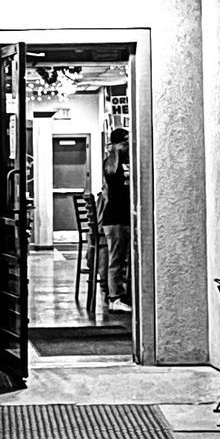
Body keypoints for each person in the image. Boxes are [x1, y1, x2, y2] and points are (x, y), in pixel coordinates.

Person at [99, 126, 131, 310]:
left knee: (122, 258)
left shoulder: (126, 160)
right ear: (118, 144)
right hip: (115, 217)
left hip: (124, 216)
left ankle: (121, 294)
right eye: (125, 142)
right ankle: (115, 297)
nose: (129, 145)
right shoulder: (112, 163)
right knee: (117, 258)